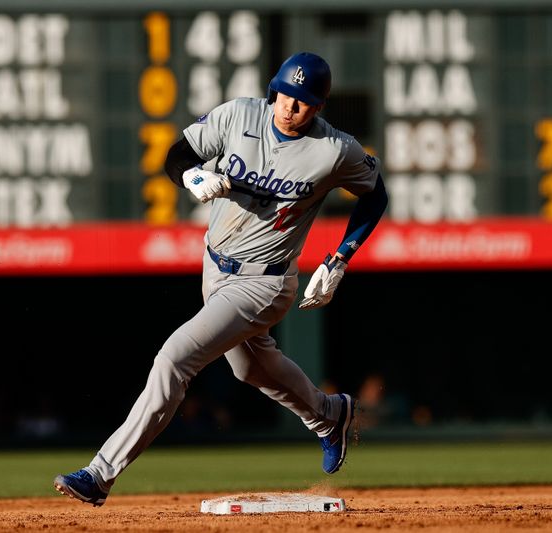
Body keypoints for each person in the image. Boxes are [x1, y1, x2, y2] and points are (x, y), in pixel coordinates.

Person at [53, 51, 388, 507]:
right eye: (286, 95)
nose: (291, 106)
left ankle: (100, 473)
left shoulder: (334, 150)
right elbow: (177, 155)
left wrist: (340, 258)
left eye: (304, 101)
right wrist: (190, 176)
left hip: (265, 283)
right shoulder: (237, 116)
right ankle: (331, 414)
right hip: (214, 265)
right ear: (274, 91)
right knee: (250, 367)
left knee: (175, 358)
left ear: (319, 107)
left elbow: (375, 194)